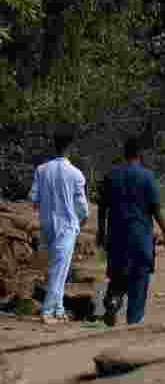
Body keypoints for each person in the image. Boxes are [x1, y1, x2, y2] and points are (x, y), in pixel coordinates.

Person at [96, 137, 165, 327]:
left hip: (117, 237)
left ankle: (113, 301)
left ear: (124, 153)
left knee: (117, 276)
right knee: (139, 280)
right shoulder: (147, 177)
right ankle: (132, 324)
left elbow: (102, 208)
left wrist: (101, 232)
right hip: (140, 238)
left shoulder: (112, 175)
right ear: (140, 155)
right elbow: (155, 209)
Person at [30, 129, 89, 325]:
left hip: (47, 223)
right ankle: (47, 311)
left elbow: (34, 199)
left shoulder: (41, 170)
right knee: (59, 268)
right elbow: (81, 206)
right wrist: (83, 218)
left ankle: (59, 309)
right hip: (66, 224)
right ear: (70, 147)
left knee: (58, 267)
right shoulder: (76, 174)